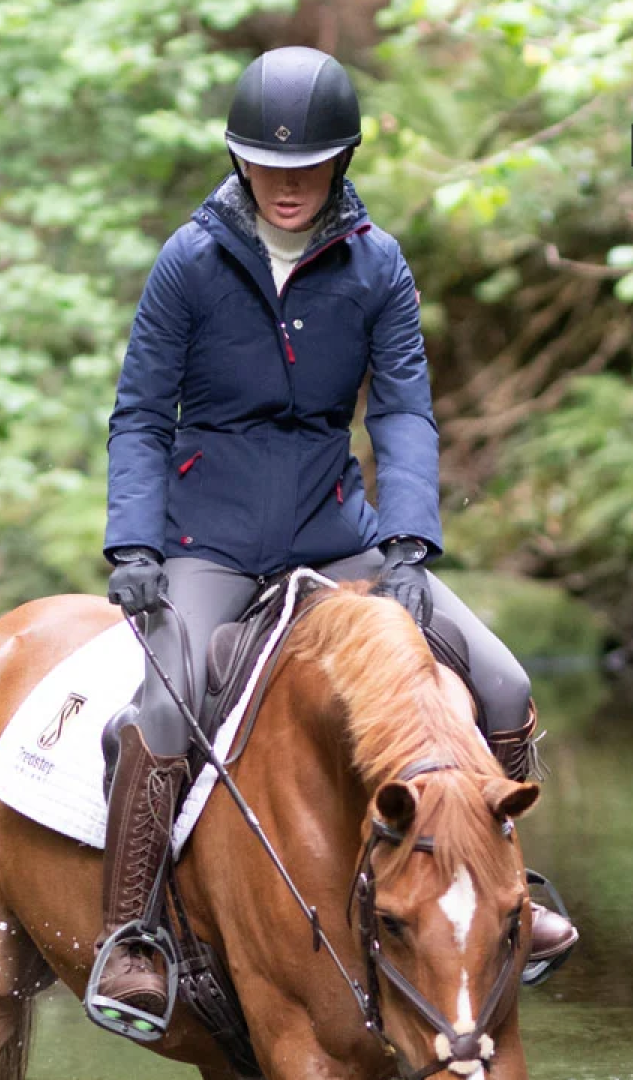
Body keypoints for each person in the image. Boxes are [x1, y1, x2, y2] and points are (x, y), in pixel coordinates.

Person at [91, 45, 578, 1024]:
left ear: (340, 161)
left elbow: (401, 414)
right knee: (166, 705)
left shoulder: (377, 265)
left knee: (504, 683)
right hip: (211, 539)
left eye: (307, 168)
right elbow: (141, 414)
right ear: (240, 164)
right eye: (269, 169)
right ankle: (131, 934)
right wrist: (134, 546)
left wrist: (406, 543)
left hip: (339, 532)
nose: (287, 186)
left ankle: (507, 889)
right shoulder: (189, 262)